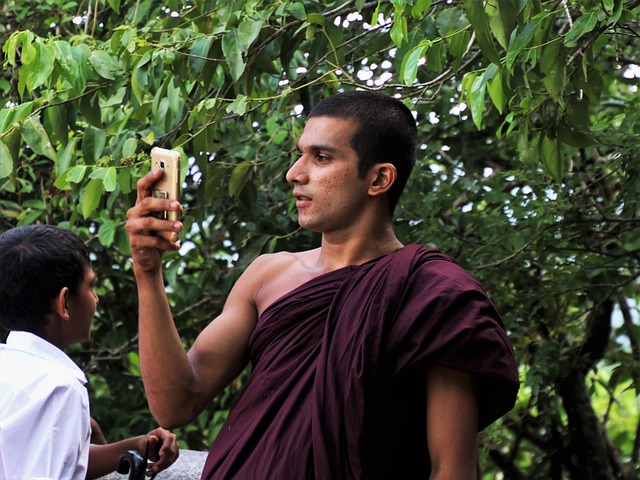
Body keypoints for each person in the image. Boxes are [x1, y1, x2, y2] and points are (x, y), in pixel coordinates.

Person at [126, 91, 520, 479]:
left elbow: (451, 469)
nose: (295, 173)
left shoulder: (435, 293)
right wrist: (147, 272)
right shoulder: (268, 275)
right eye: (300, 154)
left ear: (379, 178)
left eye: (322, 157)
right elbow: (176, 403)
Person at [0, 224, 180, 480]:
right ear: (65, 303)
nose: (95, 299)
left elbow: (53, 462)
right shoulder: (59, 389)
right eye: (90, 286)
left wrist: (137, 445)